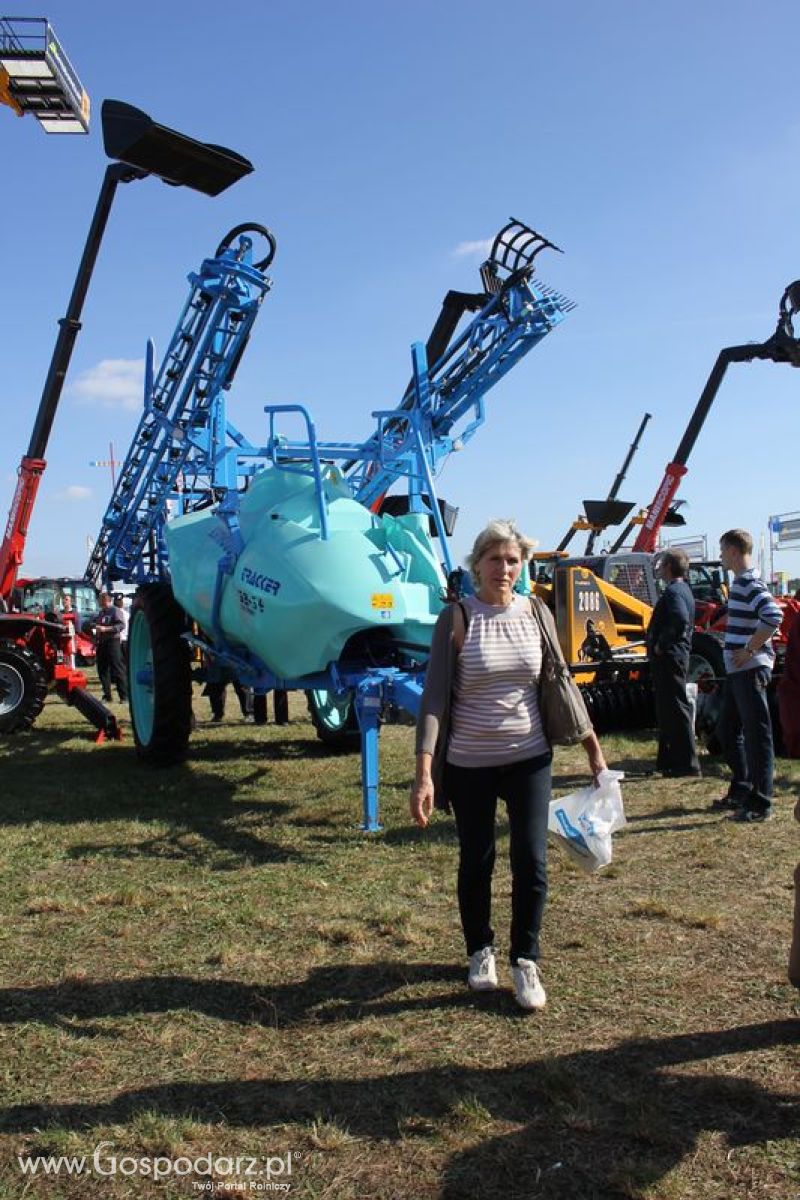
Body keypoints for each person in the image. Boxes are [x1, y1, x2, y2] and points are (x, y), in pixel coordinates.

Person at [410, 518, 607, 1011]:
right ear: (477, 564)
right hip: (470, 763)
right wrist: (423, 773)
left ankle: (526, 959)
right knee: (477, 859)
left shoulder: (536, 612)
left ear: (523, 565)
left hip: (529, 757)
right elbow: (434, 699)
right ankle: (480, 950)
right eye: (495, 559)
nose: (504, 568)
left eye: (513, 559)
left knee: (531, 860)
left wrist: (594, 751)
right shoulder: (456, 618)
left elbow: (561, 685)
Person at [714, 529, 782, 822]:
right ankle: (743, 788)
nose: (719, 557)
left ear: (732, 550)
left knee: (757, 737)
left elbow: (773, 615)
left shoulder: (745, 582)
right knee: (728, 730)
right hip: (739, 670)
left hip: (749, 670)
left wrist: (750, 650)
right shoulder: (743, 582)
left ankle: (760, 802)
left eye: (721, 550)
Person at [646, 548, 700, 777]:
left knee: (676, 709)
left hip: (670, 657)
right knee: (668, 709)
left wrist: (660, 644)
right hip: (674, 657)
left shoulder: (674, 592)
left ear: (668, 567)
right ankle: (668, 761)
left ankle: (686, 763)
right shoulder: (682, 589)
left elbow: (679, 619)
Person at [89, 592, 128, 703]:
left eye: (100, 600)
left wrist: (106, 629)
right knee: (102, 669)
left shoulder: (115, 611)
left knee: (117, 668)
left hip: (113, 642)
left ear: (106, 600)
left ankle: (124, 696)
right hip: (102, 643)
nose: (98, 602)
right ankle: (107, 695)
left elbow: (121, 625)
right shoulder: (101, 613)